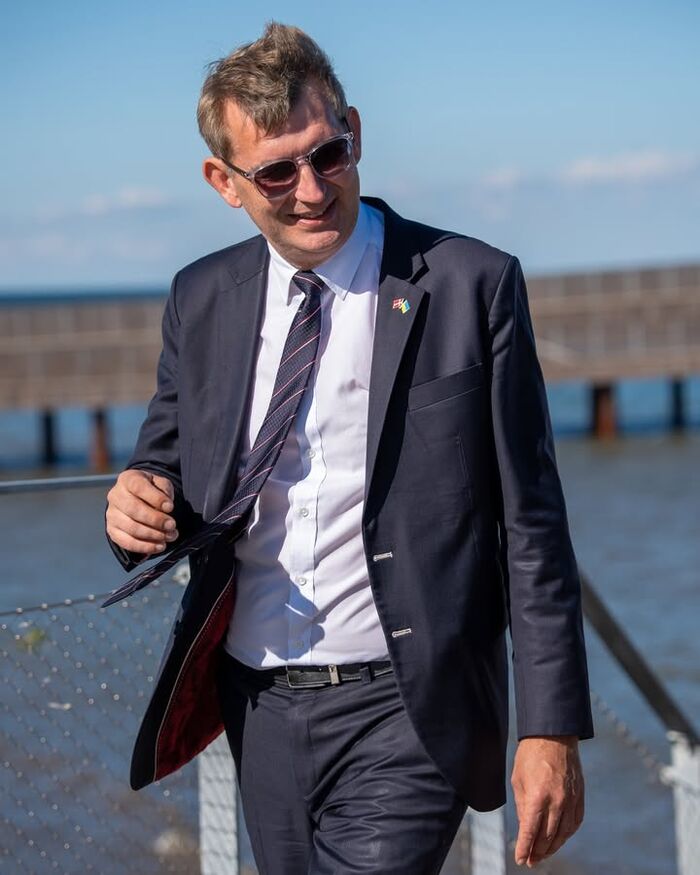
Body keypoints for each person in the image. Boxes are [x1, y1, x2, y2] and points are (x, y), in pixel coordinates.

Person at [105, 22, 593, 874]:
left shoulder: (471, 283)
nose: (311, 190)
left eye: (327, 154)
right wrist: (133, 506)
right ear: (224, 182)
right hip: (256, 704)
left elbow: (533, 520)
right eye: (276, 172)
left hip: (409, 704)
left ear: (353, 130)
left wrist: (549, 727)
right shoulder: (201, 297)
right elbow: (167, 469)